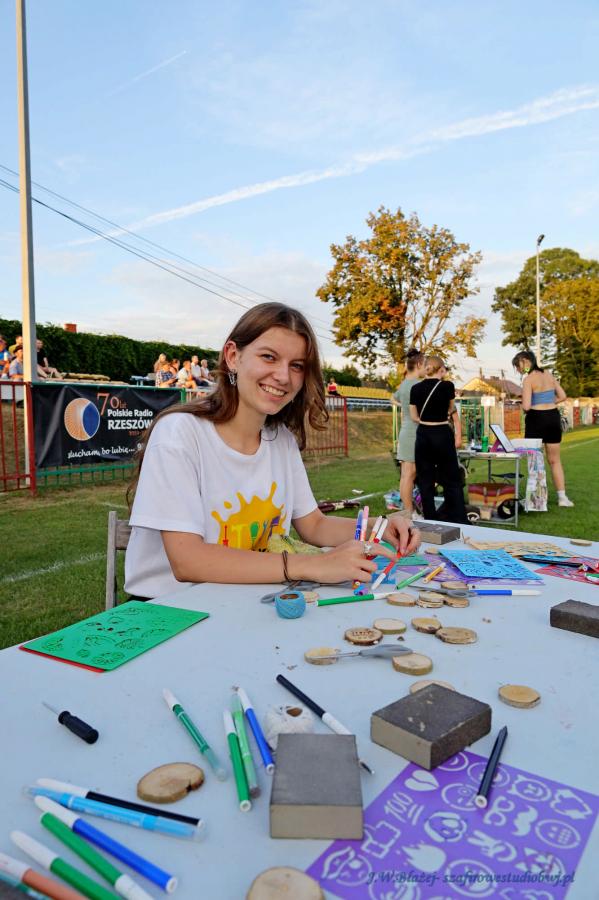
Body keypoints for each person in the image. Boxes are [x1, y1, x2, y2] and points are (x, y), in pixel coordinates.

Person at [125, 302, 420, 599]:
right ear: (233, 356)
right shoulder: (178, 433)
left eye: (297, 366)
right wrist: (314, 565)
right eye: (269, 357)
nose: (283, 376)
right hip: (168, 610)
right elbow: (188, 561)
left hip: (242, 601)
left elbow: (314, 525)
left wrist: (378, 527)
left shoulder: (281, 440)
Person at [410, 355, 467, 524]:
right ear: (441, 369)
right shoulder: (447, 386)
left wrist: (425, 420)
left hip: (423, 434)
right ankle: (457, 518)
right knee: (452, 479)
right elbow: (450, 408)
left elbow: (414, 416)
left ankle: (430, 520)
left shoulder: (415, 388)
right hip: (442, 432)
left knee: (425, 480)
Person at [512, 349, 573, 507]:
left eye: (518, 366)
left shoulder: (528, 379)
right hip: (553, 417)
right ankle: (562, 498)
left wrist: (527, 403)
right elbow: (563, 396)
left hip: (536, 420)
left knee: (534, 461)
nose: (518, 370)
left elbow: (526, 406)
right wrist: (548, 402)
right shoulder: (548, 374)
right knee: (555, 460)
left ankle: (537, 500)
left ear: (525, 361)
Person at [393, 349, 426, 519]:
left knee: (407, 475)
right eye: (425, 365)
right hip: (412, 432)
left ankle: (408, 511)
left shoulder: (405, 384)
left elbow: (392, 398)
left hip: (407, 431)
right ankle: (409, 513)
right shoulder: (417, 385)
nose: (426, 368)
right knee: (409, 475)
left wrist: (403, 407)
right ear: (419, 365)